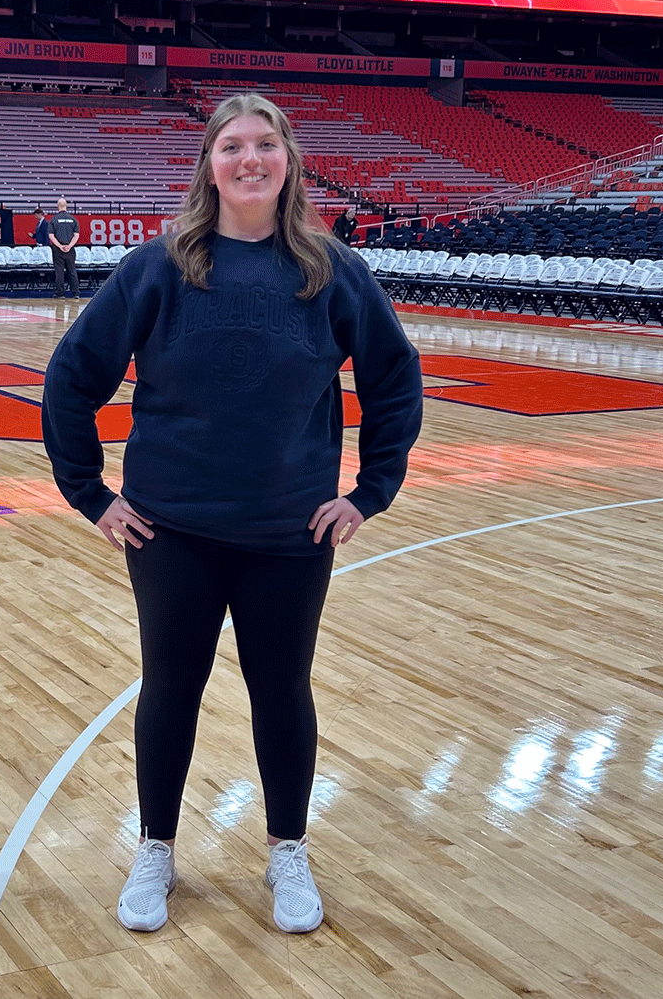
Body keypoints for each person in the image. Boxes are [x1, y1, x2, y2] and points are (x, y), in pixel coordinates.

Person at [42, 94, 422, 936]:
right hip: (171, 530)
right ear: (208, 164)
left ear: (288, 160)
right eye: (231, 146)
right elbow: (72, 376)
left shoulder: (333, 270)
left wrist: (368, 493)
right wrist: (91, 494)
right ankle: (156, 849)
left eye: (265, 144)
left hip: (290, 533)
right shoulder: (158, 267)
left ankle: (287, 848)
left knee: (281, 690)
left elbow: (394, 380)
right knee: (171, 688)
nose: (249, 160)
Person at [47, 197, 80, 298]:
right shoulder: (73, 219)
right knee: (72, 271)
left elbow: (51, 235)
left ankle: (60, 294)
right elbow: (76, 235)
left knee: (59, 272)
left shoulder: (54, 220)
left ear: (57, 206)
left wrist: (60, 246)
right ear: (66, 206)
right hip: (70, 249)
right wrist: (69, 246)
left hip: (58, 250)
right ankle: (76, 293)